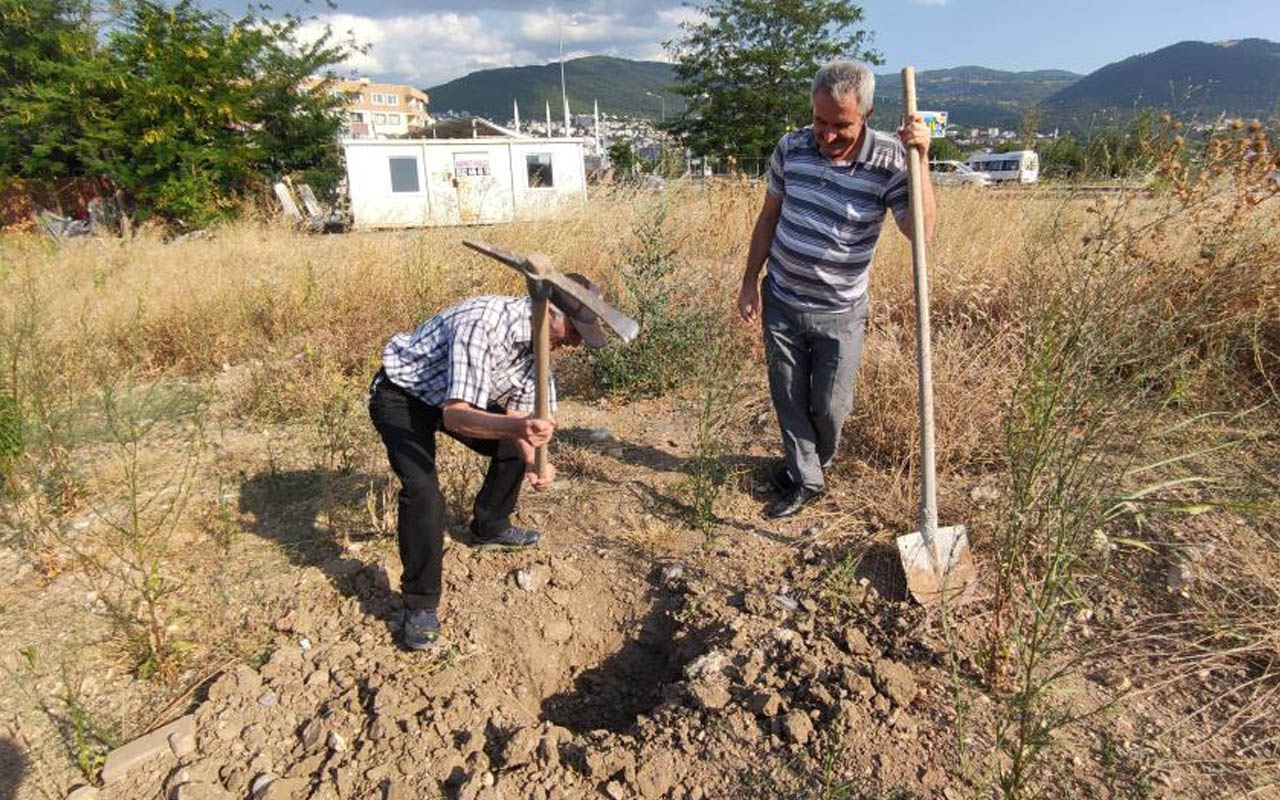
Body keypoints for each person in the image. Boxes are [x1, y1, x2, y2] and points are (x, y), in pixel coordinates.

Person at [736, 60, 937, 519]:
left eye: (840, 125)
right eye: (819, 121)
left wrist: (921, 161)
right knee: (788, 397)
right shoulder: (792, 148)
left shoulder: (890, 159)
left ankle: (814, 461)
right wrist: (750, 282)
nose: (826, 135)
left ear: (865, 114)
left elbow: (919, 232)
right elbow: (769, 217)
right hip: (783, 299)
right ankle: (805, 478)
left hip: (841, 310)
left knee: (829, 406)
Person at [368, 277, 609, 649]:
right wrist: (516, 427)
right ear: (549, 312)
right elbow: (456, 417)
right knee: (423, 492)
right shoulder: (483, 322)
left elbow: (520, 417)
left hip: (451, 401)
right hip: (403, 396)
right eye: (575, 331)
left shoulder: (539, 350)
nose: (576, 343)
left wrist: (533, 461)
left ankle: (490, 526)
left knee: (515, 444)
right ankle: (419, 606)